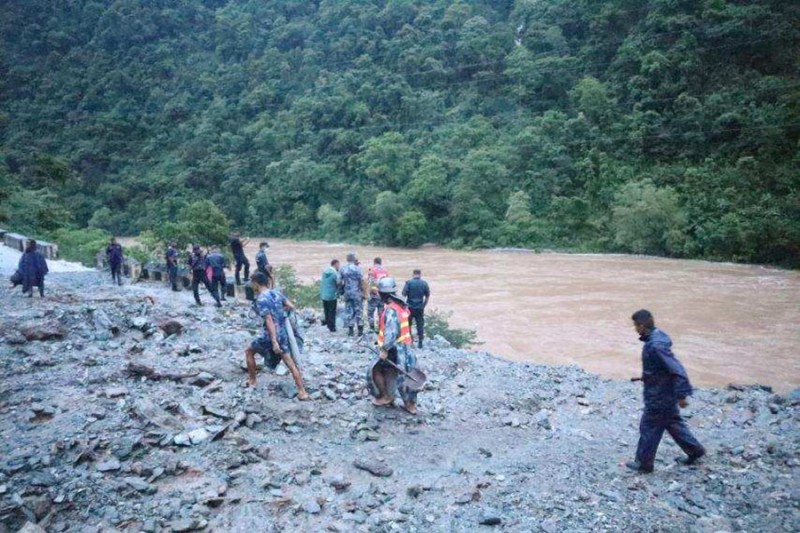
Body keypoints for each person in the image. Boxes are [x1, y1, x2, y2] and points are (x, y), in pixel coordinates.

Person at [626, 309, 706, 474]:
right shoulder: (658, 338)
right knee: (672, 423)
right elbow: (662, 368)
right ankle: (695, 450)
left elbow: (677, 370)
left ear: (641, 326)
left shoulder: (655, 346)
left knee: (649, 426)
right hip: (664, 392)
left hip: (659, 396)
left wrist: (682, 394)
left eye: (635, 326)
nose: (635, 329)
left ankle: (644, 463)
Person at [244, 272, 309, 400]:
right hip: (283, 333)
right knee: (289, 362)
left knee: (249, 351)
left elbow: (268, 320)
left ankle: (252, 380)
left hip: (270, 335)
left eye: (252, 282)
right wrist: (279, 313)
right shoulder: (276, 293)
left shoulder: (261, 299)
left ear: (256, 283)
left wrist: (274, 341)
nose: (251, 285)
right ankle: (302, 392)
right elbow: (291, 306)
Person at [367, 277, 419, 414]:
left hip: (395, 348)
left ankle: (386, 397)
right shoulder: (401, 305)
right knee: (403, 374)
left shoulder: (390, 310)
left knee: (376, 370)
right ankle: (410, 405)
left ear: (382, 294)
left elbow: (391, 332)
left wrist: (384, 349)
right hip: (406, 346)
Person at [338, 252, 365, 337]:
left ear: (347, 259)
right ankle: (360, 330)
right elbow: (362, 281)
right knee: (359, 310)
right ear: (354, 259)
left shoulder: (343, 269)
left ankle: (351, 330)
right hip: (357, 292)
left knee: (349, 310)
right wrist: (363, 292)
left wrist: (341, 289)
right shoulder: (357, 269)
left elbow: (338, 281)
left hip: (347, 293)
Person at [402, 269, 430, 349]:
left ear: (413, 274)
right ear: (420, 274)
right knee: (420, 324)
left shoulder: (408, 283)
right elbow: (427, 296)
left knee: (408, 324)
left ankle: (410, 341)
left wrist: (404, 306)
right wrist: (423, 305)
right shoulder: (424, 283)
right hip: (420, 307)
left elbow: (403, 295)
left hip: (410, 307)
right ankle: (420, 342)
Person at [366, 257, 390, 332]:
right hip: (382, 295)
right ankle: (380, 329)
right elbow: (388, 283)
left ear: (374, 262)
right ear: (381, 262)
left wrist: (368, 294)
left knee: (370, 313)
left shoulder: (372, 271)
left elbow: (370, 283)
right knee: (381, 313)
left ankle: (372, 328)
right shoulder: (385, 271)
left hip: (374, 295)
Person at [320, 259, 340, 333]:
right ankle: (332, 327)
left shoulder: (325, 271)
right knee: (332, 311)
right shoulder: (334, 273)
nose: (339, 267)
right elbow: (338, 282)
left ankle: (328, 325)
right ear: (336, 264)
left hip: (324, 294)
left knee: (326, 310)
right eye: (338, 265)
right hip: (332, 295)